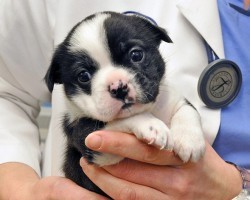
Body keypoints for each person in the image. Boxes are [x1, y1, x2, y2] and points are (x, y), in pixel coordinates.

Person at [0, 0, 249, 199]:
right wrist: (22, 191)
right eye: (85, 76)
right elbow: (8, 90)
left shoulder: (167, 96)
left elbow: (181, 109)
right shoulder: (83, 124)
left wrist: (240, 190)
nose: (117, 85)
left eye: (135, 55)